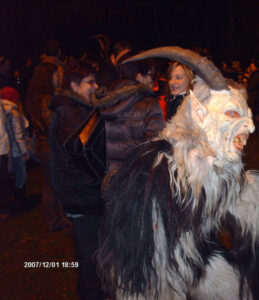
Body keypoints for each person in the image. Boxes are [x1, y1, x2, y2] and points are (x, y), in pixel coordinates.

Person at [96, 47, 259, 300]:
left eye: (248, 116)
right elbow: (146, 251)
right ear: (200, 114)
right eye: (233, 114)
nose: (251, 126)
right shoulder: (158, 169)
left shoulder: (217, 165)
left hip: (198, 256)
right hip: (160, 268)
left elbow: (223, 206)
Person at [48, 61, 107, 300]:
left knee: (91, 248)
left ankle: (93, 289)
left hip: (83, 192)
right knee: (89, 252)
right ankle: (91, 293)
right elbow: (84, 155)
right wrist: (101, 178)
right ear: (74, 85)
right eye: (89, 82)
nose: (96, 86)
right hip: (82, 194)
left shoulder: (77, 108)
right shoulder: (71, 112)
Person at [25, 40, 70, 232]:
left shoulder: (37, 89)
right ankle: (56, 221)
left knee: (51, 183)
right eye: (57, 76)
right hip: (48, 145)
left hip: (43, 143)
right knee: (54, 184)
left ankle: (56, 219)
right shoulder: (45, 100)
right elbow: (51, 125)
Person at [101, 56, 165, 187]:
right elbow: (155, 150)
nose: (152, 80)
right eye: (150, 75)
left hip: (108, 179)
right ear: (139, 77)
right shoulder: (149, 104)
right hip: (137, 182)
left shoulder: (106, 100)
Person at [0, 87, 30, 220]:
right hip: (15, 150)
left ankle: (16, 201)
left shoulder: (4, 110)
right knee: (20, 175)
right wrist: (24, 151)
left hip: (8, 149)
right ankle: (20, 202)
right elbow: (18, 134)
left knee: (12, 175)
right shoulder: (13, 112)